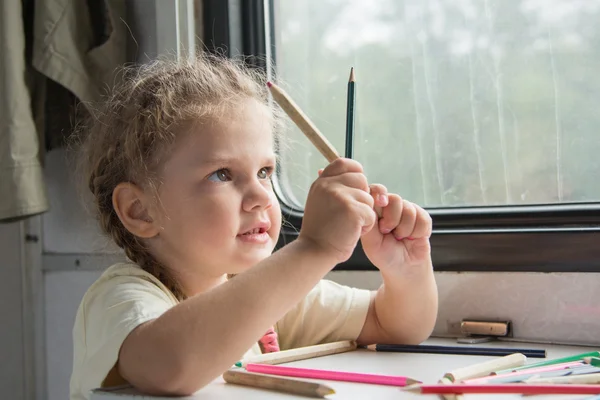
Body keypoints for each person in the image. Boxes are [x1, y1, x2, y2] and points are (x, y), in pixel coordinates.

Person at [69, 54, 438, 400]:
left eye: (264, 172)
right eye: (222, 174)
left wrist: (406, 270)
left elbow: (394, 325)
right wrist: (314, 248)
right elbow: (170, 365)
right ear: (140, 211)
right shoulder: (120, 298)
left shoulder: (271, 294)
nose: (261, 196)